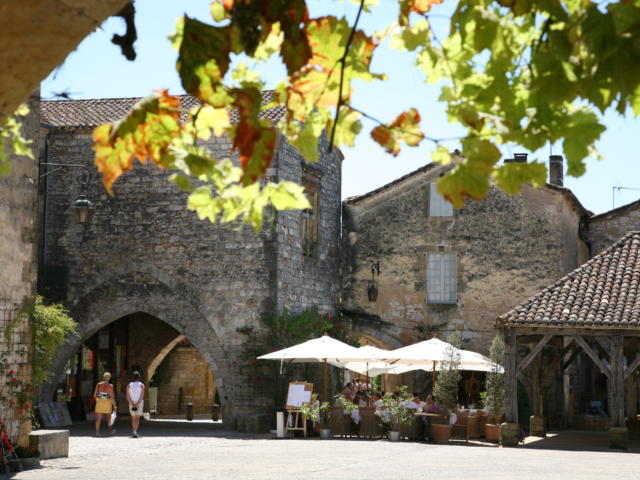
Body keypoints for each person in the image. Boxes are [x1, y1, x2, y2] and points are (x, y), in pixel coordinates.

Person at [93, 372, 116, 437]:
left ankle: (97, 432)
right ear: (109, 378)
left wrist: (97, 401)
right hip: (107, 402)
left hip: (99, 402)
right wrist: (114, 405)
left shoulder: (99, 384)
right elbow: (112, 396)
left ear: (103, 377)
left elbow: (94, 395)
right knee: (109, 418)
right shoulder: (110, 386)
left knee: (98, 419)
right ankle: (110, 431)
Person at [126, 371, 145, 438]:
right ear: (139, 377)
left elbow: (128, 396)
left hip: (131, 403)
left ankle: (134, 431)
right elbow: (142, 395)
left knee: (133, 418)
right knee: (137, 418)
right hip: (139, 403)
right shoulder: (142, 385)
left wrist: (132, 403)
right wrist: (137, 403)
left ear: (132, 377)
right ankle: (135, 432)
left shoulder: (129, 385)